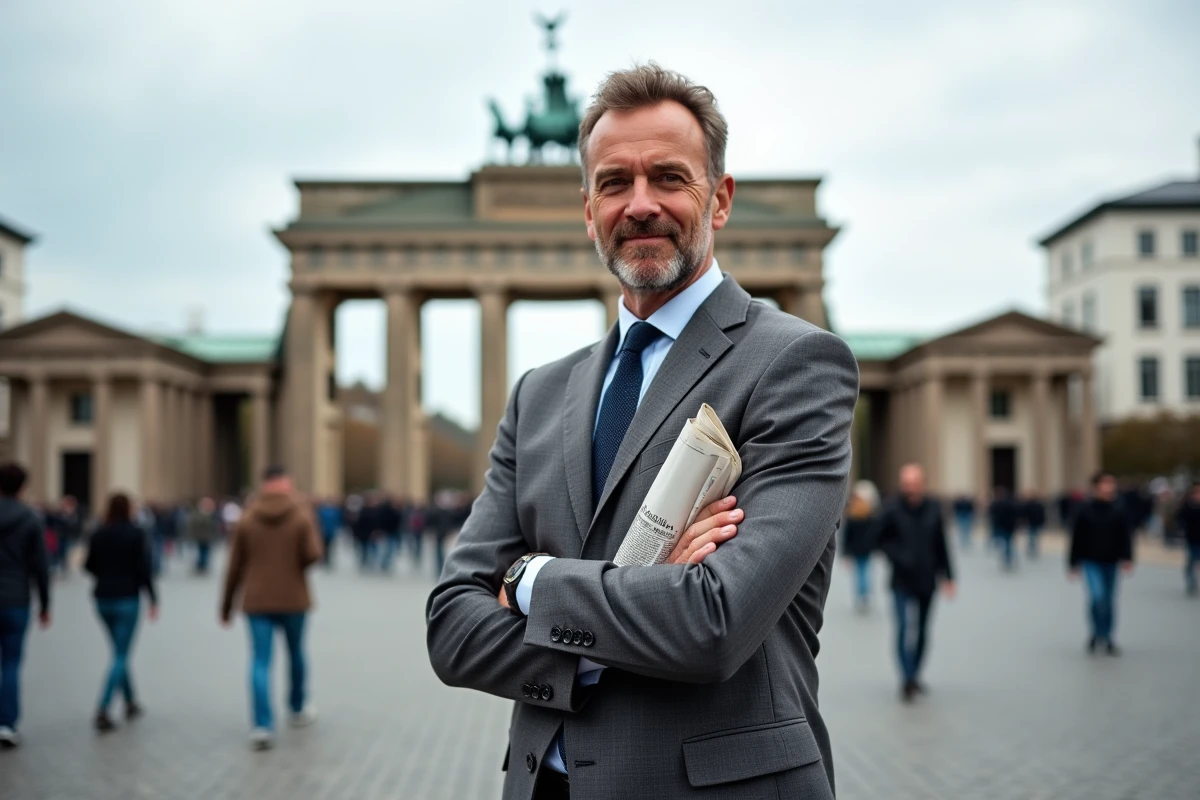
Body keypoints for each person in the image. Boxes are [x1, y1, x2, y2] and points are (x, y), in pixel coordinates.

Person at [427, 65, 858, 800]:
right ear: (588, 208)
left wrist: (530, 581)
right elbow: (451, 628)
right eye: (616, 182)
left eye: (669, 177)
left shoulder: (795, 365)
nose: (641, 204)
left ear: (719, 199)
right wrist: (645, 603)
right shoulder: (540, 395)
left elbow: (714, 623)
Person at [220, 466, 322, 750]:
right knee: (296, 653)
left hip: (256, 600)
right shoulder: (301, 513)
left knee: (260, 660)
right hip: (294, 598)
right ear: (286, 483)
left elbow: (234, 567)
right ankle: (298, 707)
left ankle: (262, 725)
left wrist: (226, 606)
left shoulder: (247, 517)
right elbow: (314, 554)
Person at [874, 463, 956, 702]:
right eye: (906, 483)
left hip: (927, 578)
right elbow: (878, 539)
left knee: (921, 630)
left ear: (923, 483)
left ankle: (915, 673)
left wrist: (949, 577)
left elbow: (942, 545)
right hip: (901, 579)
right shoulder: (891, 509)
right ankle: (907, 678)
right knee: (902, 629)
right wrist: (898, 556)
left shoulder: (933, 508)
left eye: (914, 482)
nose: (910, 487)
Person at [84, 494, 159, 732]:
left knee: (118, 651)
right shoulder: (136, 534)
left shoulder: (98, 533)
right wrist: (154, 598)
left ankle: (130, 701)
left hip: (102, 598)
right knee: (120, 654)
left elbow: (88, 565)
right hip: (127, 597)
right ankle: (103, 707)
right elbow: (144, 569)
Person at [0, 462, 51, 749]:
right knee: (11, 664)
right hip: (17, 599)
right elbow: (40, 566)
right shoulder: (31, 519)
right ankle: (6, 723)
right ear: (22, 487)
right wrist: (45, 604)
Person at [1068, 471, 1134, 656]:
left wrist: (1127, 558)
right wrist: (1072, 563)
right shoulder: (1084, 509)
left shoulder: (1119, 509)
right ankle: (1095, 632)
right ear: (1096, 487)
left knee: (1109, 600)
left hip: (1111, 561)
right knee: (1098, 598)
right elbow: (1076, 538)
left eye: (1111, 483)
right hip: (1091, 561)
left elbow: (1126, 536)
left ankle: (1108, 637)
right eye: (1105, 483)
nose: (1109, 487)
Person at [841, 480, 879, 612]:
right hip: (866, 548)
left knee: (859, 572)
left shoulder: (852, 516)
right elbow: (874, 533)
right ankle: (865, 594)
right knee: (865, 571)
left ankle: (861, 595)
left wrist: (846, 552)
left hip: (856, 549)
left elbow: (847, 536)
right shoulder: (869, 515)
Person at [185, 497, 221, 575]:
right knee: (202, 551)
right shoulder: (199, 514)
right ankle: (201, 565)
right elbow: (193, 525)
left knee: (205, 552)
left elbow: (214, 527)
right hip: (201, 537)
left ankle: (202, 565)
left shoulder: (210, 514)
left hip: (207, 537)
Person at [988, 486, 1020, 571]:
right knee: (1008, 544)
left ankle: (1007, 560)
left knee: (1004, 544)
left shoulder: (996, 504)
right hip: (1008, 527)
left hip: (1002, 527)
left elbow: (992, 515)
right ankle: (1008, 560)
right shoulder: (1011, 503)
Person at [1177, 483, 1200, 596]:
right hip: (1191, 538)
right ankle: (1191, 582)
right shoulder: (1188, 505)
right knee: (1191, 561)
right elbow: (1180, 517)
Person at [315, 498, 343, 569]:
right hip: (325, 531)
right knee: (325, 546)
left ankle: (326, 559)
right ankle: (325, 559)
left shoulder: (333, 511)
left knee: (327, 546)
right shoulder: (323, 511)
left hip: (328, 532)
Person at [1021, 491, 1046, 559]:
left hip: (1033, 523)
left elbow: (1024, 514)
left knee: (1032, 537)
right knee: (1033, 537)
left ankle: (1032, 549)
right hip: (1034, 523)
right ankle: (1033, 549)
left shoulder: (1029, 505)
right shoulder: (1037, 505)